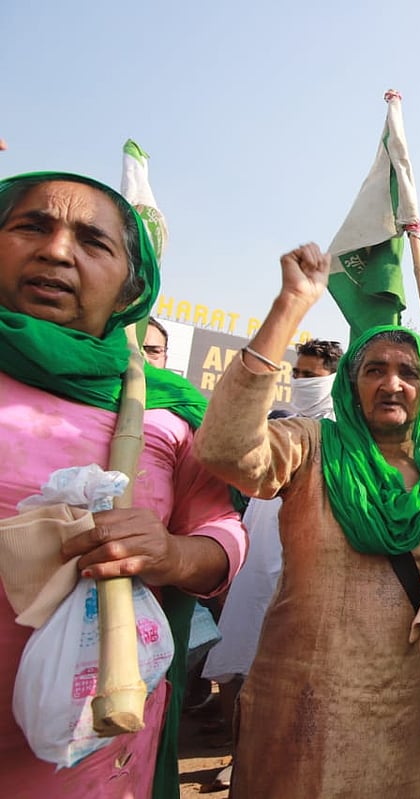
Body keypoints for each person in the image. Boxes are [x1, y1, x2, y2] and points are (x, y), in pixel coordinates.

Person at [194, 242, 420, 797]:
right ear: (351, 384)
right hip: (304, 713)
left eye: (409, 372)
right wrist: (289, 305)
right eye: (374, 370)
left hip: (412, 717)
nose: (393, 383)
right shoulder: (312, 446)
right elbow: (225, 450)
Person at [0, 171, 247, 798]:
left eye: (92, 241)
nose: (57, 251)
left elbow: (222, 533)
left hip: (97, 751)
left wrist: (170, 554)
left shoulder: (163, 410)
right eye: (32, 226)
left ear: (130, 289)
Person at [199, 338, 343, 790]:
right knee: (238, 652)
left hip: (305, 561)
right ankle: (239, 755)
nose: (300, 381)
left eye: (311, 375)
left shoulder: (342, 433)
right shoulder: (284, 428)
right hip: (258, 553)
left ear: (335, 378)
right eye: (296, 373)